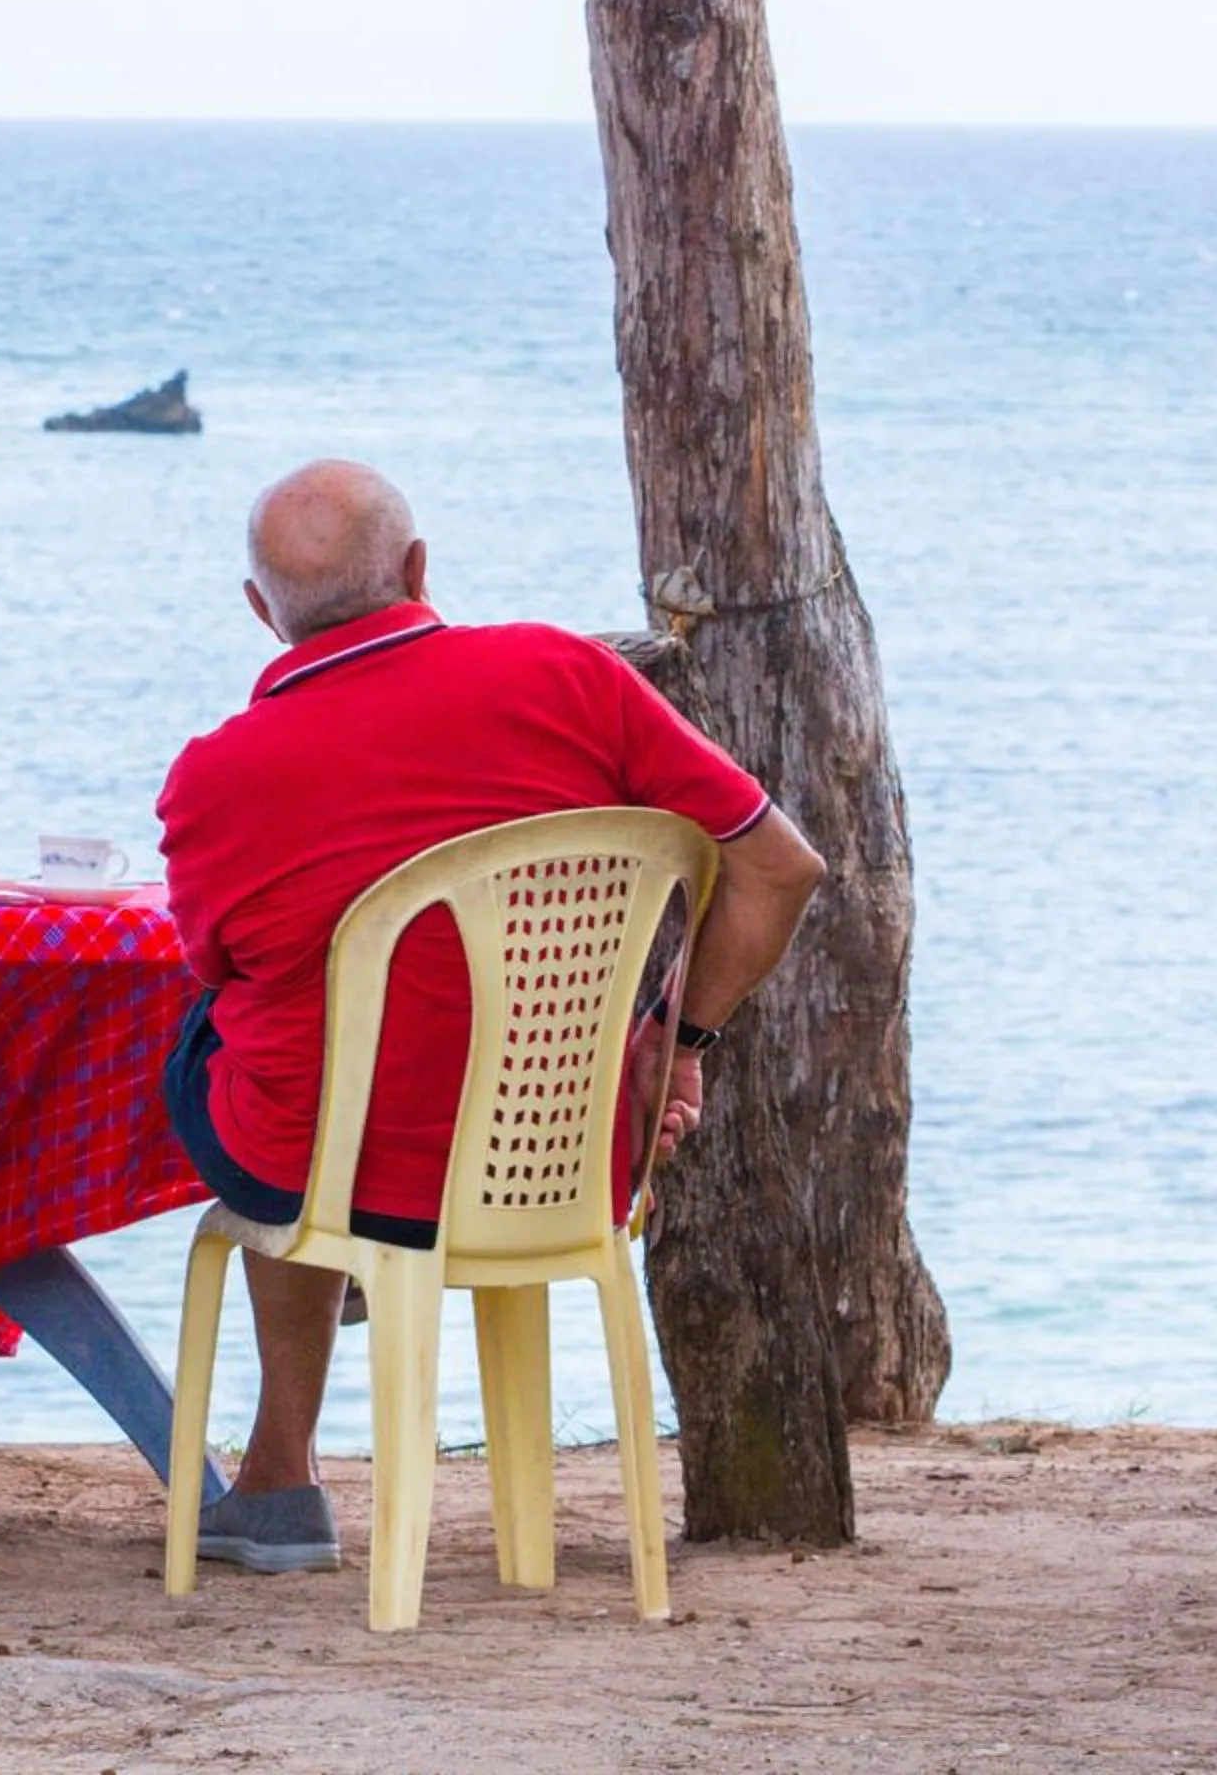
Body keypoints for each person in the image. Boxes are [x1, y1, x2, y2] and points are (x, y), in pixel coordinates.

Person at [155, 459, 828, 1574]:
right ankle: (311, 1406)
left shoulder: (218, 774)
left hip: (321, 1159)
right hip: (562, 1158)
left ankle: (281, 1474)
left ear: (260, 611)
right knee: (293, 1037)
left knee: (226, 1036)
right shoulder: (570, 675)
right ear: (419, 570)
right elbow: (781, 867)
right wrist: (675, 1037)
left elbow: (219, 963)